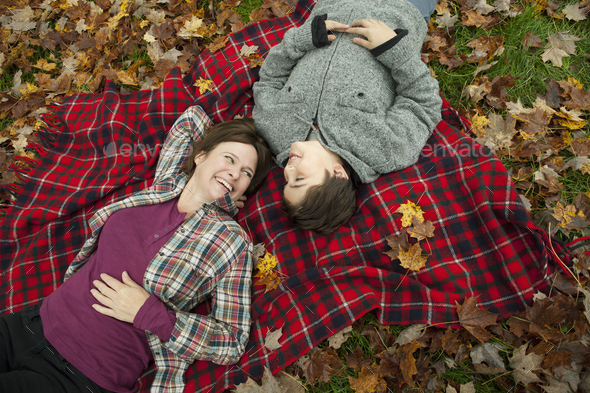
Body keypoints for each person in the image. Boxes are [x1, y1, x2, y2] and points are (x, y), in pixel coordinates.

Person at [0, 105, 272, 393]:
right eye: (228, 159)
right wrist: (222, 169)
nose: (233, 173)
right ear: (200, 154)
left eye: (245, 173)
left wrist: (152, 314)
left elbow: (231, 341)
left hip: (84, 376)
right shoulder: (165, 183)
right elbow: (191, 118)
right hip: (31, 325)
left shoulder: (231, 241)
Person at [252, 0, 443, 235]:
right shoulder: (383, 150)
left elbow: (269, 79)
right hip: (400, 9)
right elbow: (423, 103)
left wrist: (303, 39)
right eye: (299, 179)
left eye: (286, 182)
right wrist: (395, 49)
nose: (287, 170)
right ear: (338, 174)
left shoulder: (273, 129)